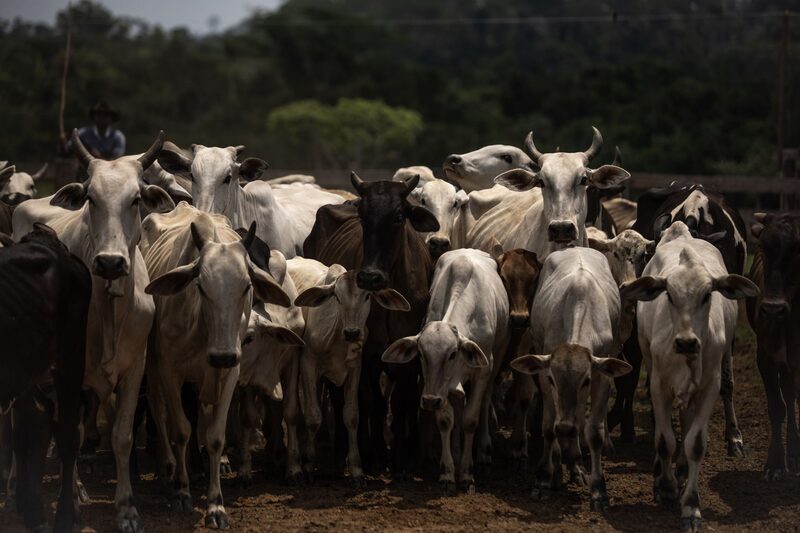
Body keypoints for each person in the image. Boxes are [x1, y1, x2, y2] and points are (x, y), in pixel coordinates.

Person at [60, 100, 126, 160]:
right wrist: (63, 144)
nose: (102, 117)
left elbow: (118, 159)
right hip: (85, 171)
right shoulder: (83, 134)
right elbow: (66, 152)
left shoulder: (118, 137)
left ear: (111, 118)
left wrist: (98, 157)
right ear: (94, 116)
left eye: (105, 115)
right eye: (99, 114)